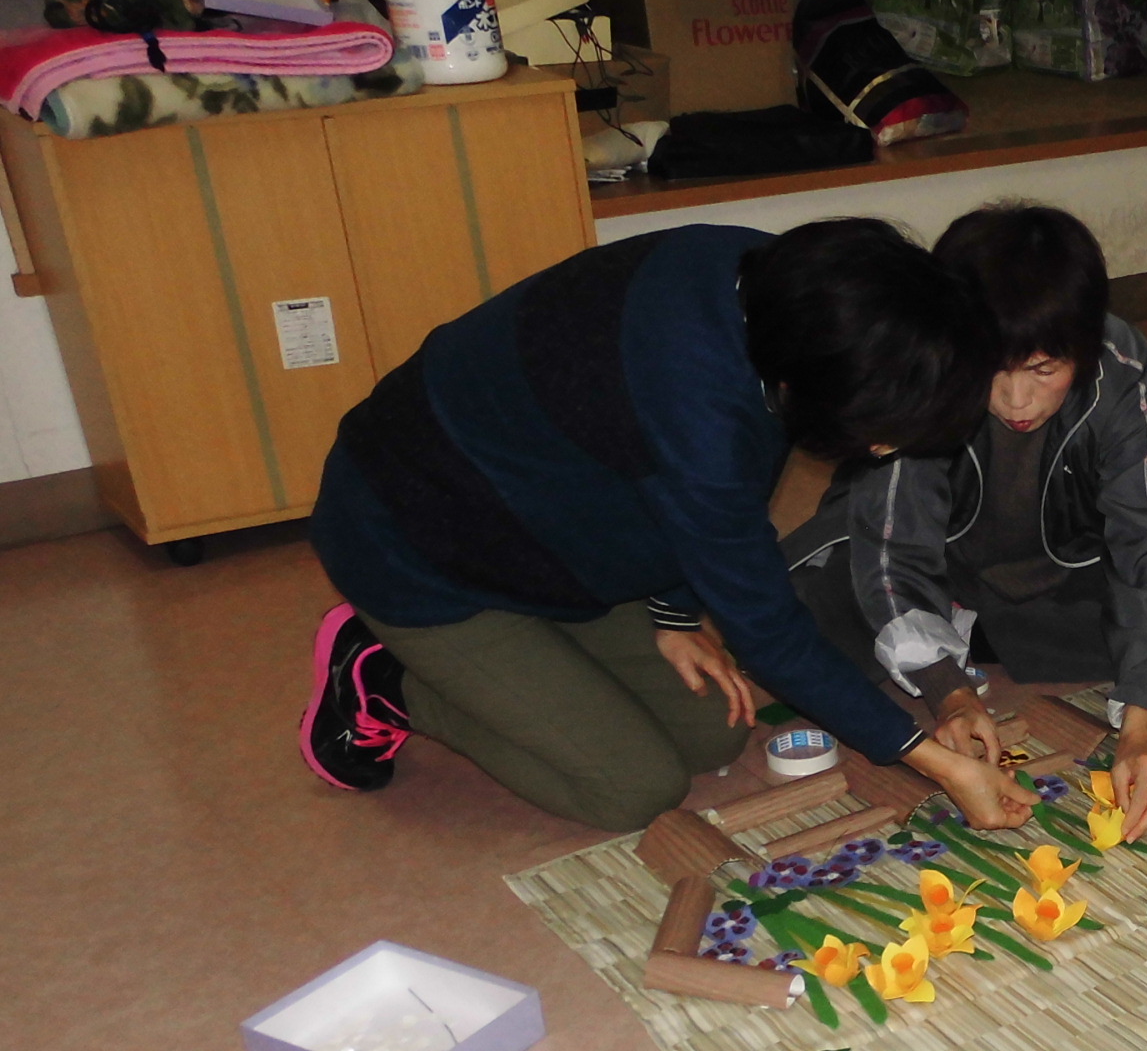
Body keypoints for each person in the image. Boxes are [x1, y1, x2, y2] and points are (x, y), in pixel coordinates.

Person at [296, 219, 1032, 836]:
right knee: (631, 789)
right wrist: (931, 759)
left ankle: (529, 655)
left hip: (544, 525)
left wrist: (674, 610)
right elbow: (768, 629)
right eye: (878, 434)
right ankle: (382, 675)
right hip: (413, 546)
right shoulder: (699, 413)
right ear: (806, 387)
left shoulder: (776, 285)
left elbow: (673, 471)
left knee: (711, 731)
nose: (880, 451)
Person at [784, 205, 1147, 844]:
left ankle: (973, 634)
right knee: (795, 618)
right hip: (934, 566)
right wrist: (947, 693)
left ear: (1084, 347)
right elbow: (893, 547)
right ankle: (960, 640)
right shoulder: (924, 359)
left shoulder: (1119, 362)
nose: (1016, 399)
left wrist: (1142, 730)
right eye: (994, 369)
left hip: (1058, 569)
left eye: (1044, 369)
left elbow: (1145, 536)